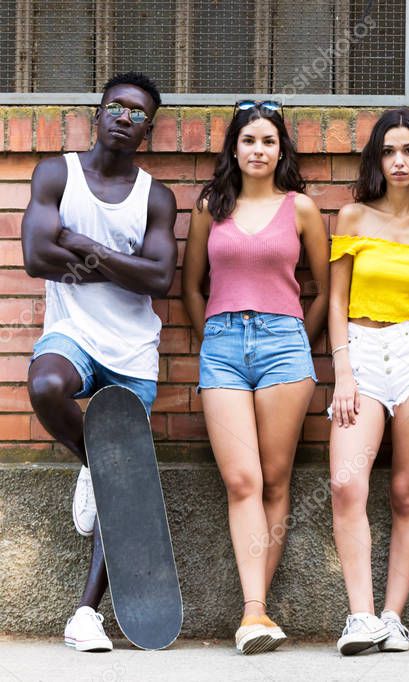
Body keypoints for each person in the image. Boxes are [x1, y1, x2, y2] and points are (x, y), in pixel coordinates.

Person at [21, 72, 177, 652]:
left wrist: (86, 246)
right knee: (46, 386)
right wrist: (123, 264)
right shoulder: (56, 172)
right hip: (73, 333)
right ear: (98, 111)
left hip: (134, 349)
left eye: (137, 114)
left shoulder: (155, 197)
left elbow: (160, 279)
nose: (124, 118)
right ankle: (95, 463)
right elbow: (37, 256)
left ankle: (86, 613)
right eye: (116, 107)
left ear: (148, 129)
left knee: (127, 476)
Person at [182, 99, 329, 654]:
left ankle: (257, 612)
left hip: (284, 348)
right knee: (242, 480)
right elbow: (191, 286)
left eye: (269, 141)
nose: (259, 150)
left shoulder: (302, 209)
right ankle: (254, 613)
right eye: (249, 141)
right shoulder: (210, 207)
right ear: (234, 149)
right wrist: (212, 337)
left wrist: (299, 337)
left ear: (281, 148)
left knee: (274, 478)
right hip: (221, 349)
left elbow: (324, 288)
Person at [327, 109, 409, 656]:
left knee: (407, 490)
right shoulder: (353, 216)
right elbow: (334, 300)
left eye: (408, 150)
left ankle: (392, 618)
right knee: (345, 484)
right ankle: (359, 617)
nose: (399, 161)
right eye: (388, 151)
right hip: (359, 351)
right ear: (376, 158)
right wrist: (342, 372)